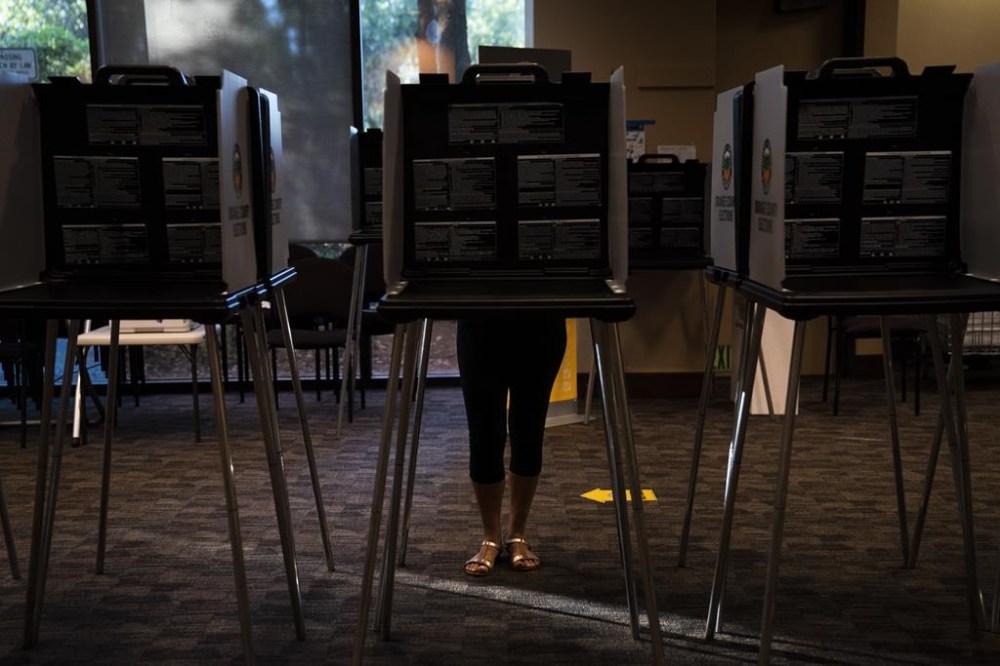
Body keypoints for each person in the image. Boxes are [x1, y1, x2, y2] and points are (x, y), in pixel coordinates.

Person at [456, 316, 567, 576]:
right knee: (484, 434)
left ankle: (517, 534)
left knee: (529, 429)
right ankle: (490, 537)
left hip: (541, 320)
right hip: (479, 320)